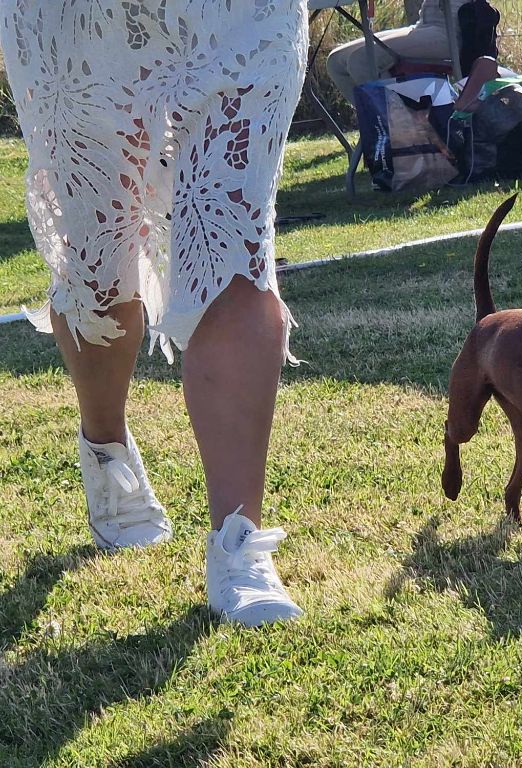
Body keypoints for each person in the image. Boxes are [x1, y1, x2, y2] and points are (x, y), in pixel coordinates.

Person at [1, 0, 308, 628]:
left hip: (234, 17)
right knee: (98, 275)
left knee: (234, 248)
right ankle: (105, 443)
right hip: (79, 23)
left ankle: (238, 539)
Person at [326, 0, 472, 100]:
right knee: (336, 61)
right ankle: (374, 125)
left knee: (361, 60)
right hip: (423, 26)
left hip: (450, 33)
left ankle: (402, 129)